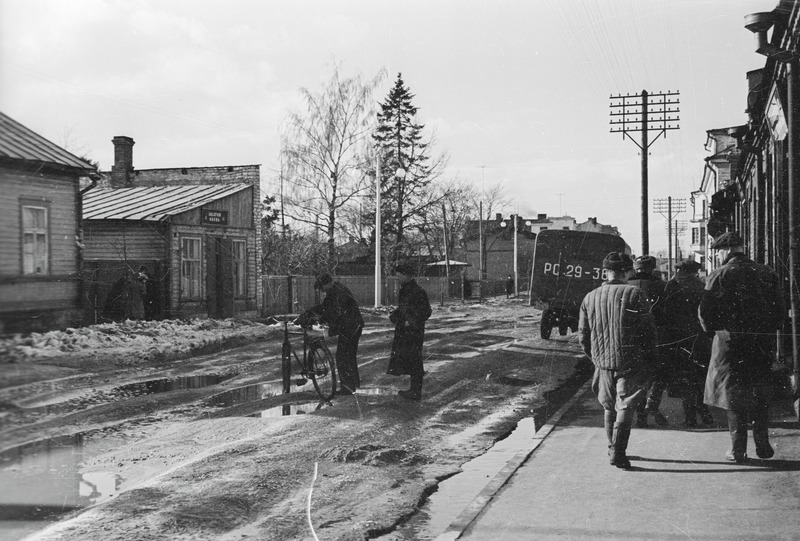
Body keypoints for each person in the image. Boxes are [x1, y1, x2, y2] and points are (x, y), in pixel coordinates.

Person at [699, 231, 784, 463]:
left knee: (734, 397)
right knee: (759, 393)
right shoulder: (767, 272)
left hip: (731, 346)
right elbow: (780, 311)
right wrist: (766, 332)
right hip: (760, 344)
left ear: (725, 251)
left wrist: (717, 330)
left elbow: (705, 313)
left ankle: (738, 451)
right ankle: (763, 447)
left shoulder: (719, 274)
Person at [579, 252, 657, 469]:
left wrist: (596, 358)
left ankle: (611, 447)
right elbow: (647, 332)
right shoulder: (635, 294)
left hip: (602, 363)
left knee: (609, 406)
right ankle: (618, 452)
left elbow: (583, 336)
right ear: (628, 271)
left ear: (606, 271)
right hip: (631, 360)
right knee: (625, 406)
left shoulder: (590, 297)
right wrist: (650, 359)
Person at [662, 259, 714, 427]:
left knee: (684, 378)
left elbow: (665, 312)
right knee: (700, 376)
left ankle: (690, 416)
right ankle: (704, 411)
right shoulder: (701, 286)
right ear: (694, 271)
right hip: (699, 338)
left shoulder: (670, 286)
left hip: (677, 338)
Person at [298, 273, 364, 395]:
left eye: (322, 287)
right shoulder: (335, 291)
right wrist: (310, 313)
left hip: (351, 327)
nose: (321, 290)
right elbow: (325, 307)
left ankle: (347, 387)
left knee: (343, 356)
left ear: (327, 283)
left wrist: (320, 319)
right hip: (351, 326)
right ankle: (350, 385)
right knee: (347, 356)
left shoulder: (338, 293)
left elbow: (334, 312)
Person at [628, 255, 670, 428]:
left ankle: (641, 417)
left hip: (632, 339)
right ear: (652, 268)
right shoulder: (662, 286)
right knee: (660, 374)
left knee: (637, 378)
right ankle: (652, 404)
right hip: (657, 336)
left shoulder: (627, 286)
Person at [387, 261, 432, 401]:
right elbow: (405, 309)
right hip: (407, 331)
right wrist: (395, 315)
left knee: (415, 360)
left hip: (413, 331)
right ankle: (413, 389)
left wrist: (410, 321)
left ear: (407, 276)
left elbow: (426, 311)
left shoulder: (417, 291)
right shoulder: (406, 288)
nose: (397, 279)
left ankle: (415, 391)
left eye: (399, 276)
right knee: (411, 360)